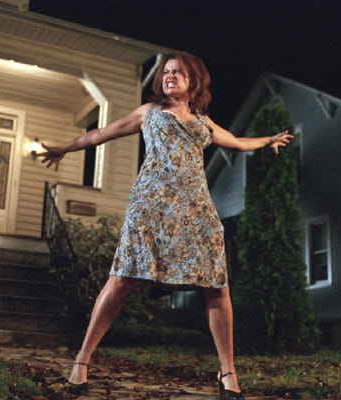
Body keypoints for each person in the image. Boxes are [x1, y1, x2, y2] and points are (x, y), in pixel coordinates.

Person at [39, 50, 293, 400]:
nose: (170, 76)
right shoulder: (149, 113)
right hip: (150, 208)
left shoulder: (203, 122)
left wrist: (267, 141)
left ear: (194, 82)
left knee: (217, 286)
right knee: (121, 280)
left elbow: (236, 141)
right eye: (167, 71)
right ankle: (82, 361)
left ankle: (228, 373)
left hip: (196, 211)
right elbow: (100, 134)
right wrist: (65, 148)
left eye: (178, 72)